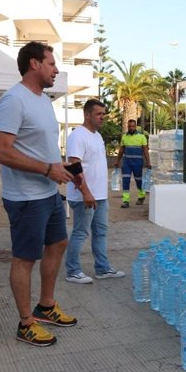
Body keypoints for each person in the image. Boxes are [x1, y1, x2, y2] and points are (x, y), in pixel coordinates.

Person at [0, 41, 77, 347]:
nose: (56, 69)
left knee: (59, 242)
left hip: (47, 191)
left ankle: (46, 306)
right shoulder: (14, 100)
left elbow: (39, 147)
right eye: (52, 63)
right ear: (34, 64)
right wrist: (46, 170)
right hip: (26, 197)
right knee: (25, 258)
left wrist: (60, 167)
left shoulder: (42, 100)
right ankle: (26, 323)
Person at [64, 99, 126, 284]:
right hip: (84, 196)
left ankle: (103, 268)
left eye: (104, 114)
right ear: (87, 114)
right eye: (99, 114)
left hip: (100, 196)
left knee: (100, 233)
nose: (102, 117)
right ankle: (73, 271)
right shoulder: (78, 136)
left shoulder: (97, 136)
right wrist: (86, 193)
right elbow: (74, 167)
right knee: (81, 233)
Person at [114, 119, 151, 208]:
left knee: (138, 181)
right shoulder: (124, 137)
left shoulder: (142, 137)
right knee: (125, 181)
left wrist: (148, 162)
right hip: (126, 163)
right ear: (127, 126)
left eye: (133, 126)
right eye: (129, 126)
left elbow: (145, 151)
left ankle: (141, 196)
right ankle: (126, 201)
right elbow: (121, 150)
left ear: (136, 126)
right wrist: (117, 161)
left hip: (138, 163)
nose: (131, 128)